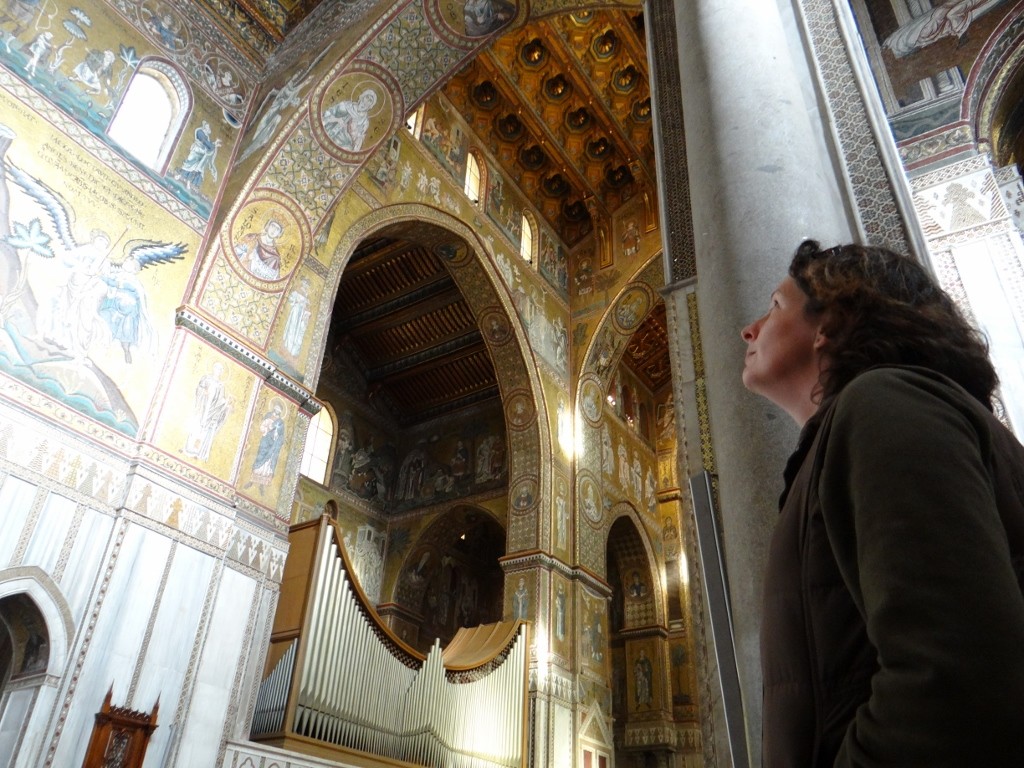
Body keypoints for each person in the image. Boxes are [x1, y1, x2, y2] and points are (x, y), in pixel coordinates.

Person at [741, 240, 1024, 766]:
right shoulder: (868, 421)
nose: (749, 329)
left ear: (829, 323)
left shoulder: (887, 404)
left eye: (775, 308)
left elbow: (955, 678)